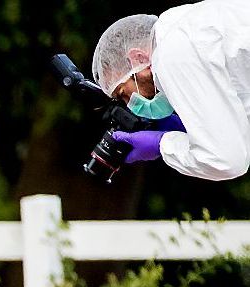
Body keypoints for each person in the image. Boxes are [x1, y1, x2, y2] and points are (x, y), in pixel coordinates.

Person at [91, 1, 250, 181]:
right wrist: (194, 128)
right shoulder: (187, 26)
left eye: (122, 93)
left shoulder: (171, 55)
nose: (129, 104)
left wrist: (162, 143)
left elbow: (226, 161)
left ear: (138, 58)